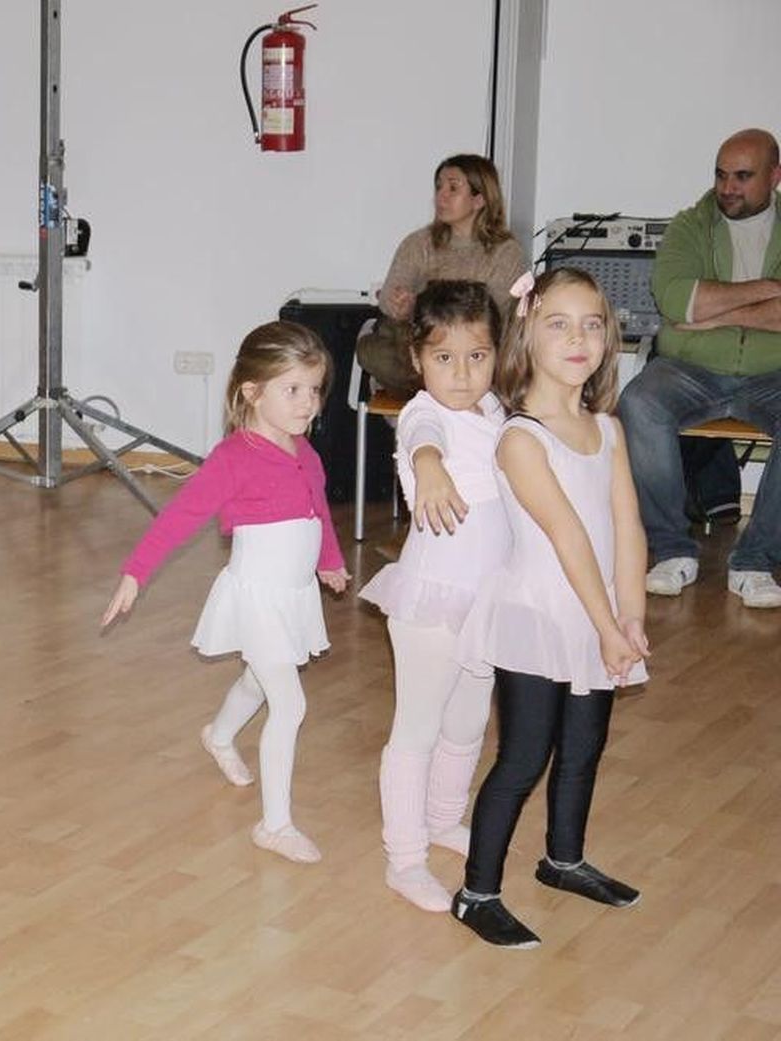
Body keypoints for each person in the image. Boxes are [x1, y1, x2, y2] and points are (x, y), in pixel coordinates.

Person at [451, 268, 650, 949]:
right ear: (528, 335)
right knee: (524, 756)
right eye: (559, 323)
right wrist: (608, 626)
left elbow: (627, 526)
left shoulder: (608, 429)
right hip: (538, 616)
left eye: (592, 324)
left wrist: (630, 616)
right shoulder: (521, 438)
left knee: (584, 747)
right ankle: (476, 893)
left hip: (596, 615)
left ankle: (563, 859)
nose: (578, 338)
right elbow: (567, 536)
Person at [101, 322, 350, 864]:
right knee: (290, 703)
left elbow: (318, 513)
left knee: (259, 682)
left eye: (314, 390)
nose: (308, 402)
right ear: (252, 391)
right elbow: (180, 516)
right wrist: (136, 572)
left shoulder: (306, 453)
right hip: (257, 596)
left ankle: (218, 735)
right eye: (293, 389)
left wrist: (329, 560)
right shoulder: (233, 458)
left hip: (293, 594)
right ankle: (275, 825)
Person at [357, 281, 507, 912]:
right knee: (416, 729)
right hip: (432, 604)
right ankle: (405, 859)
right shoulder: (425, 415)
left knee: (469, 722)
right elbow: (423, 440)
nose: (463, 373)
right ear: (418, 359)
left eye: (477, 355)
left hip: (485, 603)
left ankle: (444, 819)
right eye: (445, 357)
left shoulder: (495, 411)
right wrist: (429, 465)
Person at [619, 128, 781, 609]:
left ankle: (755, 561)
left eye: (743, 176)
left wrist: (715, 312)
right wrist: (769, 290)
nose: (727, 187)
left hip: (772, 372)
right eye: (721, 174)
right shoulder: (690, 225)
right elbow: (675, 300)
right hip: (689, 367)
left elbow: (695, 308)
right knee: (638, 403)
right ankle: (672, 551)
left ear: (775, 176)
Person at [357, 155, 527, 395]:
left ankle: (444, 390)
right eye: (439, 187)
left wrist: (427, 307)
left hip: (476, 353)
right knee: (374, 348)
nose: (441, 196)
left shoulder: (506, 252)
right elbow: (388, 298)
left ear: (479, 199)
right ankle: (441, 388)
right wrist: (402, 306)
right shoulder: (418, 243)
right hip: (425, 347)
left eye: (453, 188)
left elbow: (495, 314)